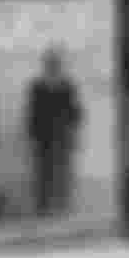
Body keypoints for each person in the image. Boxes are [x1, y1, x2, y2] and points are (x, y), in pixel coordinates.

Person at [26, 48, 83, 216]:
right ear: (45, 65)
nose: (52, 67)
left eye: (55, 64)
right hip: (42, 136)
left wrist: (73, 132)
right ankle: (43, 206)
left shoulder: (67, 86)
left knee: (62, 170)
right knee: (42, 171)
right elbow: (32, 112)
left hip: (62, 135)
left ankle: (61, 204)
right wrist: (32, 135)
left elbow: (75, 112)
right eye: (50, 64)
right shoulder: (37, 86)